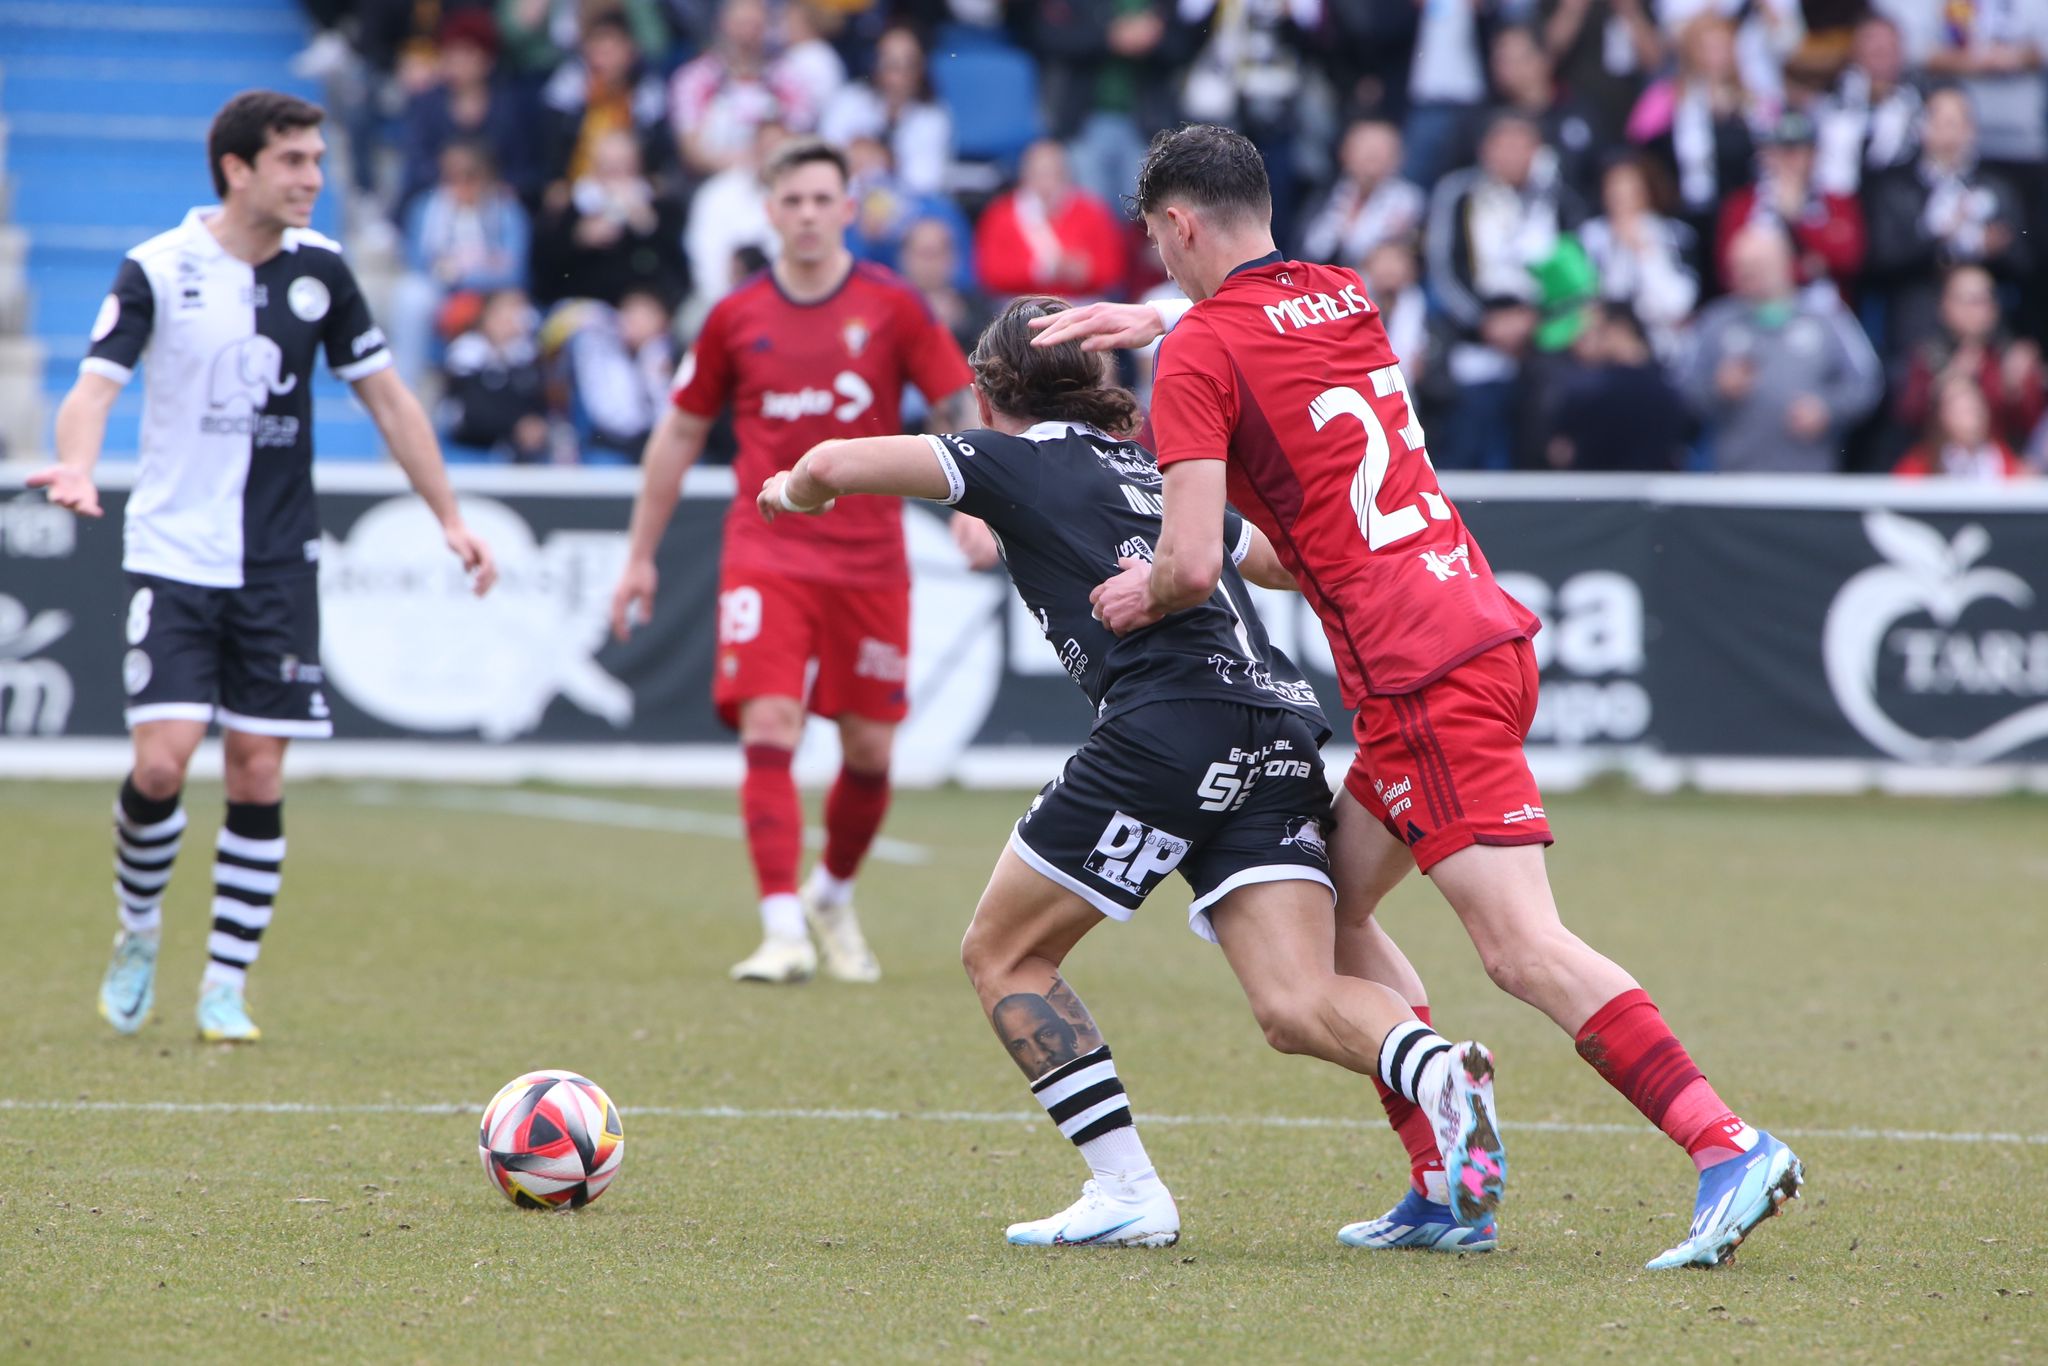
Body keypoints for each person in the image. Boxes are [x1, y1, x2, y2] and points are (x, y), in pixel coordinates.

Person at [1032, 124, 1802, 1270]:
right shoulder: (1342, 295)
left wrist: (1137, 593)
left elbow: (1191, 561)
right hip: (1459, 625)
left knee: (1519, 946)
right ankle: (1446, 1181)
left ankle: (1723, 1142)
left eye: (1156, 241)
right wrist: (1169, 320)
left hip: (1420, 670)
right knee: (1335, 915)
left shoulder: (1201, 354)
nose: (1162, 263)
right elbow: (1292, 524)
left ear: (1177, 228)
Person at [754, 296, 1507, 1250]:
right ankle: (1439, 1072)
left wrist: (793, 492)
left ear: (990, 395)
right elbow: (1277, 560)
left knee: (1004, 954)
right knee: (1292, 1001)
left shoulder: (1011, 459)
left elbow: (831, 462)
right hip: (1274, 730)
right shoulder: (1163, 472)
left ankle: (1126, 1191)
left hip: (1163, 732)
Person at [29, 91, 497, 1043]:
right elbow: (93, 386)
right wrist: (75, 464)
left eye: (318, 159)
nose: (313, 178)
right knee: (161, 765)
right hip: (173, 555)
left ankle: (224, 984)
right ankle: (138, 930)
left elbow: (391, 400)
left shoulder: (323, 271)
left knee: (255, 772)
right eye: (293, 161)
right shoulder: (158, 268)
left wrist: (448, 515)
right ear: (237, 168)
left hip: (278, 562)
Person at [607, 138, 977, 985]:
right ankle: (780, 927)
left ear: (849, 209)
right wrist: (639, 556)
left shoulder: (893, 307)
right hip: (767, 549)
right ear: (768, 212)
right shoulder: (735, 316)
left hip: (871, 556)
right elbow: (680, 433)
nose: (808, 214)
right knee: (771, 726)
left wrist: (976, 510)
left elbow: (958, 404)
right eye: (792, 201)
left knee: (871, 752)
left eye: (823, 199)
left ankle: (832, 896)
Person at [1680, 221, 1883, 473]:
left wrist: (1828, 409)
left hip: (1809, 479)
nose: (1747, 275)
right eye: (1740, 267)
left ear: (1784, 263)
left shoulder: (1827, 316)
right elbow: (1683, 388)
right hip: (1735, 478)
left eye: (1757, 266)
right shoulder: (1715, 322)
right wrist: (1718, 389)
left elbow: (1867, 381)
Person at [1865, 87, 2033, 364]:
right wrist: (1940, 242)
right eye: (1942, 122)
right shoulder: (1894, 187)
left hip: (1987, 323)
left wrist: (1995, 248)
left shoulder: (1998, 187)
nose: (1951, 133)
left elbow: (2025, 262)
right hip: (1919, 317)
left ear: (1972, 129)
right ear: (1922, 128)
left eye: (1959, 122)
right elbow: (1880, 261)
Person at [1893, 264, 2045, 451]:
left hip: (2000, 467)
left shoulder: (2010, 357)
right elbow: (1907, 418)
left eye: (1982, 300)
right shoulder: (1927, 357)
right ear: (1944, 306)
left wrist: (2021, 390)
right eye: (1965, 299)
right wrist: (1942, 389)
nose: (1973, 309)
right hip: (1936, 466)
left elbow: (2032, 426)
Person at [1713, 109, 1866, 294]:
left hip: (1821, 310)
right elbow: (1728, 268)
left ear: (1813, 156)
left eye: (1797, 151)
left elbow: (1848, 259)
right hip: (1754, 308)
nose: (1788, 160)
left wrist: (1795, 220)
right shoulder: (1741, 205)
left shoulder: (1837, 203)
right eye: (1779, 151)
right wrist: (1804, 269)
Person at [972, 140, 1129, 302]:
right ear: (1025, 176)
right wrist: (1040, 271)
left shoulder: (1092, 211)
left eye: (1055, 174)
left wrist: (1084, 272)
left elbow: (1113, 270)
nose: (1047, 183)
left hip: (1080, 303)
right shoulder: (1001, 214)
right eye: (1040, 174)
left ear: (1067, 175)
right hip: (1021, 306)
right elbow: (990, 273)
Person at [1577, 153, 1698, 357]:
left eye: (1630, 188)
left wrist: (1644, 252)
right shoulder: (1590, 237)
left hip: (1660, 342)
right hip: (1604, 344)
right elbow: (1590, 298)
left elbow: (1677, 305)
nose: (1621, 196)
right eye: (1614, 188)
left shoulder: (1675, 234)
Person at [820, 26, 953, 197]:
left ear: (921, 69)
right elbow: (825, 157)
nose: (898, 74)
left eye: (908, 64)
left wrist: (885, 159)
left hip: (906, 209)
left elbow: (925, 183)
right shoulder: (849, 99)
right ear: (875, 64)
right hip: (846, 200)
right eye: (890, 63)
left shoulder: (933, 116)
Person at [1812, 13, 1923, 198]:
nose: (1880, 57)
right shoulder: (1830, 99)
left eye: (1888, 50)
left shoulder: (1919, 104)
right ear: (1855, 52)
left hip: (1898, 201)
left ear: (1901, 55)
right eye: (1874, 50)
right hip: (1838, 204)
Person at [1298, 120, 1426, 268]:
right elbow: (1309, 249)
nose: (1372, 157)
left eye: (1381, 150)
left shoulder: (1410, 200)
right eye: (1364, 149)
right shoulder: (1325, 194)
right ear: (1344, 153)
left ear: (1398, 157)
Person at [1894, 372, 2030, 481]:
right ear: (1940, 414)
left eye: (1974, 400)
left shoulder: (2003, 460)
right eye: (1958, 401)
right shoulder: (1919, 466)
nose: (1971, 408)